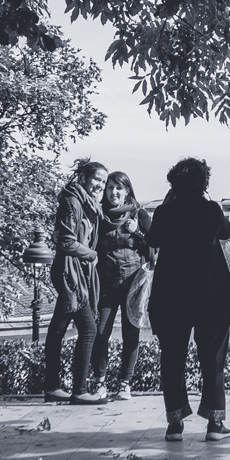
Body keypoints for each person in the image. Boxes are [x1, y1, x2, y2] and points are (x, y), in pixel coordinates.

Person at [146, 157, 230, 441]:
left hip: (171, 295)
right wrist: (208, 201)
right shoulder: (210, 209)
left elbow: (152, 239)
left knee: (172, 359)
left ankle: (175, 424)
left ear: (173, 184)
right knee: (213, 360)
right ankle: (214, 424)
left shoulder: (164, 212)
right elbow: (227, 231)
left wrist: (169, 205)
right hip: (210, 294)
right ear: (203, 183)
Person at [45, 160, 106, 404]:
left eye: (103, 181)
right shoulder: (72, 201)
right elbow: (66, 241)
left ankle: (52, 387)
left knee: (58, 329)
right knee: (89, 329)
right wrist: (92, 255)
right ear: (83, 178)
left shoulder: (88, 204)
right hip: (70, 273)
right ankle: (80, 391)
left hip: (76, 271)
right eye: (97, 179)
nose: (100, 185)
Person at [90, 171, 154, 400]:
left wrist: (136, 231)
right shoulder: (98, 214)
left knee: (131, 333)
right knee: (100, 333)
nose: (113, 192)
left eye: (119, 188)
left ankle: (125, 384)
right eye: (110, 187)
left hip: (133, 284)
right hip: (106, 285)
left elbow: (155, 245)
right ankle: (99, 383)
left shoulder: (138, 213)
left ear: (127, 191)